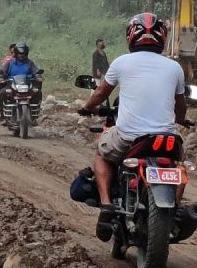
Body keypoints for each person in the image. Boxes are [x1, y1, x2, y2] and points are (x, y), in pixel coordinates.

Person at [78, 14, 189, 239]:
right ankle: (174, 207)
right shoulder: (174, 67)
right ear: (162, 37)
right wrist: (180, 119)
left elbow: (101, 92)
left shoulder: (121, 62)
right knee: (177, 166)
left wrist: (87, 107)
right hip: (167, 139)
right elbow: (180, 106)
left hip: (130, 137)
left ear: (131, 36)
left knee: (101, 151)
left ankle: (107, 205)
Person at [0, 43, 40, 121]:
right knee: (2, 92)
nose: (21, 55)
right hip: (12, 85)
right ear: (16, 53)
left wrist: (38, 76)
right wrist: (1, 77)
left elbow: (36, 71)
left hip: (27, 85)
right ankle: (3, 115)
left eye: (23, 53)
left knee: (38, 92)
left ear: (26, 53)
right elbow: (3, 71)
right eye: (19, 53)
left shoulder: (30, 63)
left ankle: (34, 115)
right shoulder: (10, 62)